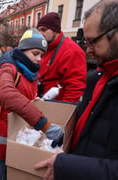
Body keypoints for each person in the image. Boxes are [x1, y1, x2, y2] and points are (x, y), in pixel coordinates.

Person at [35, 1, 118, 180]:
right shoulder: (101, 76)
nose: (88, 50)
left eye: (92, 42)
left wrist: (66, 164)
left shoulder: (75, 54)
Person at [0, 28, 64, 180]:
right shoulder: (8, 68)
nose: (39, 59)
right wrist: (44, 124)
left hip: (16, 137)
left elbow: (24, 96)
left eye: (42, 55)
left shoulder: (30, 74)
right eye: (35, 53)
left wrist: (34, 100)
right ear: (22, 50)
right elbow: (7, 94)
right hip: (0, 137)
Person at [37, 12, 87, 103]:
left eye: (44, 30)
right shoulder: (45, 47)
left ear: (55, 30)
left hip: (55, 107)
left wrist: (63, 112)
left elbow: (75, 87)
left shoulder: (72, 50)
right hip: (40, 102)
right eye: (39, 30)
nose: (40, 34)